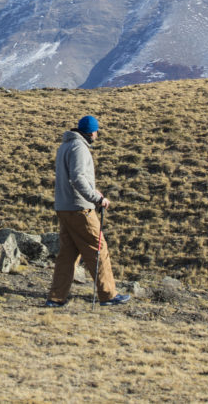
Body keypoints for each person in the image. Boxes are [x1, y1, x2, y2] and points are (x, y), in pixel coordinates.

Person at [45, 115, 130, 307]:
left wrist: (92, 191)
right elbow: (78, 178)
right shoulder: (79, 148)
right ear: (91, 132)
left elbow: (73, 178)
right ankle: (108, 294)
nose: (97, 135)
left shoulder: (65, 146)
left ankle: (56, 297)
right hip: (80, 209)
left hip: (64, 207)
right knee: (98, 249)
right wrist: (97, 198)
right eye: (96, 132)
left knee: (68, 254)